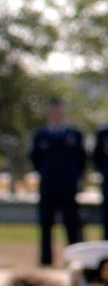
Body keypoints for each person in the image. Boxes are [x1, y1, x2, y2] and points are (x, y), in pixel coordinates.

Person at [34, 99, 89, 266]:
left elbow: (82, 159)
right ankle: (46, 261)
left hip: (68, 187)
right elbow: (35, 159)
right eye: (53, 111)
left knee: (72, 226)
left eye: (59, 111)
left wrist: (75, 178)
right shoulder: (41, 135)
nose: (56, 114)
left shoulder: (74, 134)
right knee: (46, 225)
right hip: (48, 187)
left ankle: (74, 261)